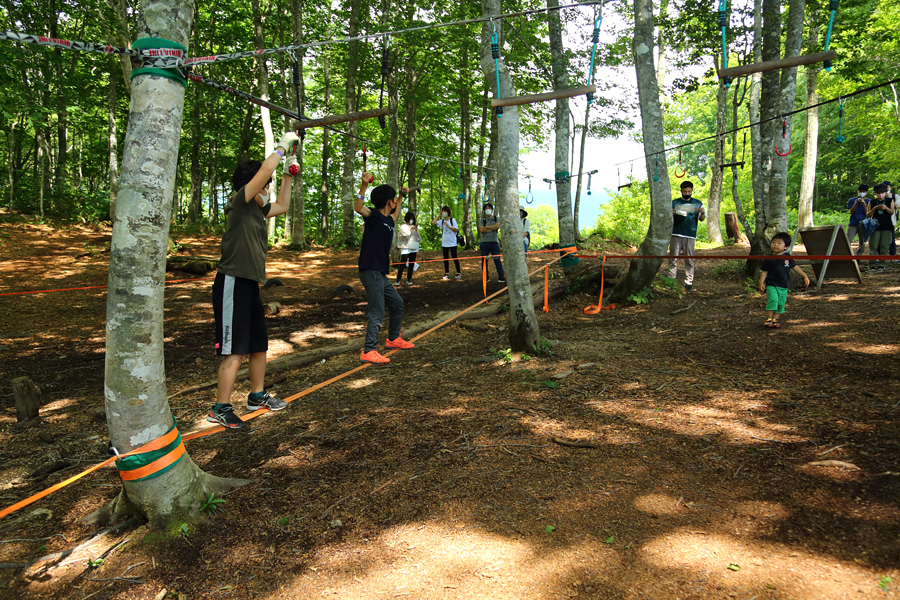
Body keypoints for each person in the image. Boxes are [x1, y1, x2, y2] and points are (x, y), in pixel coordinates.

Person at [208, 131, 300, 429]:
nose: (268, 190)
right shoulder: (240, 202)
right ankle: (220, 408)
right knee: (235, 349)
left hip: (250, 284)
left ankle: (256, 396)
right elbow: (263, 172)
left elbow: (283, 206)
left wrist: (287, 175)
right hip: (232, 282)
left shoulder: (258, 210)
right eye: (266, 187)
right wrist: (283, 146)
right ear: (253, 186)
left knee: (259, 344)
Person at [355, 172, 415, 364]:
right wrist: (364, 185)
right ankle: (369, 350)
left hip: (380, 272)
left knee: (397, 304)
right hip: (370, 269)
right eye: (393, 201)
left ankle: (393, 339)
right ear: (388, 202)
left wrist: (401, 195)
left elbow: (396, 212)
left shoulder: (389, 220)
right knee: (377, 310)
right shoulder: (372, 216)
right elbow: (358, 207)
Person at [759, 232, 810, 329]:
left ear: (786, 246)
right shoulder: (769, 258)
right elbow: (764, 272)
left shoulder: (788, 258)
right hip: (771, 284)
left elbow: (795, 267)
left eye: (779, 243)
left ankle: (775, 320)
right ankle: (768, 318)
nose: (775, 245)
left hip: (783, 285)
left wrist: (804, 276)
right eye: (773, 242)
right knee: (773, 300)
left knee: (780, 303)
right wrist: (761, 282)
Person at [667, 180, 706, 292]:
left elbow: (702, 219)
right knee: (673, 258)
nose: (687, 193)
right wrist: (672, 213)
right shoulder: (675, 203)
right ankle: (671, 281)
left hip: (690, 235)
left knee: (689, 259)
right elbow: (668, 217)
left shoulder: (697, 203)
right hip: (676, 233)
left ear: (692, 191)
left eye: (689, 191)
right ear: (681, 191)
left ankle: (689, 282)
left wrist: (702, 212)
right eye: (685, 191)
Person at [866, 182, 895, 270]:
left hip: (887, 227)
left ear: (885, 193)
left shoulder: (890, 201)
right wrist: (875, 209)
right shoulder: (872, 202)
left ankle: (882, 264)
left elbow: (892, 212)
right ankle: (871, 264)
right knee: (874, 246)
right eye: (878, 193)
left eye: (882, 193)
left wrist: (886, 208)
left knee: (884, 246)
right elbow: (868, 214)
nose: (880, 195)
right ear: (876, 193)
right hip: (875, 227)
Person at [477, 203, 505, 283]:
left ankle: (501, 277)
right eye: (486, 208)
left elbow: (498, 226)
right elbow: (481, 230)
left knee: (497, 260)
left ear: (492, 209)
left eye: (489, 208)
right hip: (484, 243)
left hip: (494, 242)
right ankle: (486, 277)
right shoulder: (483, 220)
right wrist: (493, 228)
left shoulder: (496, 218)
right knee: (484, 260)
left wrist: (487, 227)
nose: (488, 209)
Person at [432, 206, 461, 280]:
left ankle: (458, 272)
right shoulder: (442, 221)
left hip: (452, 242)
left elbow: (456, 230)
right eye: (443, 211)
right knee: (446, 258)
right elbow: (433, 222)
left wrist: (449, 226)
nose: (444, 213)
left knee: (454, 257)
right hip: (445, 243)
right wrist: (438, 215)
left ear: (448, 212)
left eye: (445, 211)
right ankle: (447, 273)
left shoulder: (452, 220)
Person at [395, 211, 420, 286]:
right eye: (410, 219)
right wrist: (410, 229)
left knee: (411, 264)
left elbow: (418, 238)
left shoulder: (414, 227)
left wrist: (415, 231)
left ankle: (409, 279)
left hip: (413, 247)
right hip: (405, 247)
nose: (412, 220)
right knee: (403, 263)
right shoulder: (403, 226)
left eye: (413, 219)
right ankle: (398, 280)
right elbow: (405, 235)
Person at [846, 184, 870, 256]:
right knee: (848, 240)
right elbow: (851, 212)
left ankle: (858, 256)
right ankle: (848, 255)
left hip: (863, 224)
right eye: (860, 191)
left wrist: (864, 204)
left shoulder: (869, 201)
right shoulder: (852, 200)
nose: (861, 193)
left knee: (862, 242)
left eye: (863, 191)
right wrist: (855, 204)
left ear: (866, 192)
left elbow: (867, 213)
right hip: (853, 224)